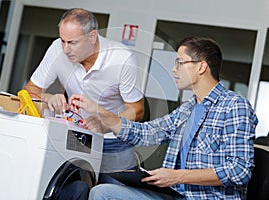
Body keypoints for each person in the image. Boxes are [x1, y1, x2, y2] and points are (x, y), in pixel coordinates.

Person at [69, 36, 259, 199]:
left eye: (180, 62)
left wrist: (177, 177)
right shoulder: (188, 109)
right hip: (173, 194)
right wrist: (99, 111)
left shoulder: (234, 106)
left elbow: (239, 170)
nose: (174, 69)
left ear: (201, 67)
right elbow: (147, 132)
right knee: (102, 192)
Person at [24, 8, 144, 199]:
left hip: (114, 143)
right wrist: (48, 97)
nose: (65, 49)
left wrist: (104, 124)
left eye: (72, 42)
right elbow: (30, 90)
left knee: (109, 194)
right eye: (62, 40)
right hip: (77, 137)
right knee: (73, 191)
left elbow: (137, 110)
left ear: (92, 36)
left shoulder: (122, 58)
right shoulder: (57, 49)